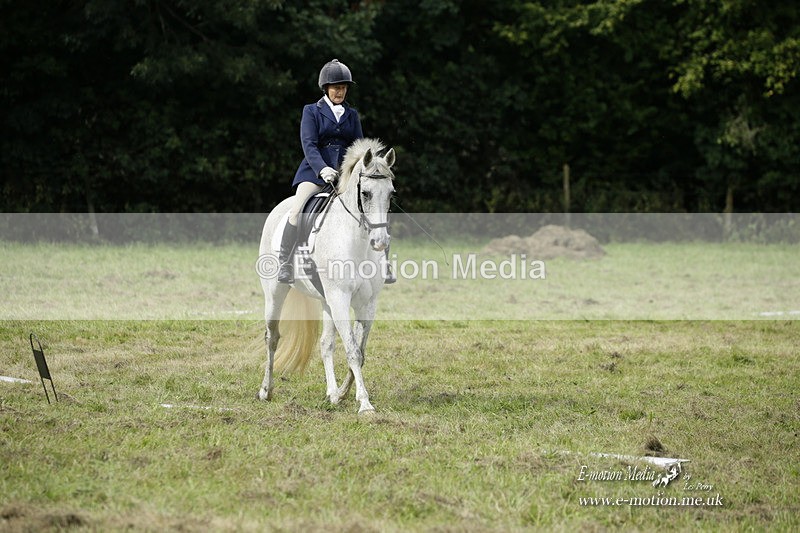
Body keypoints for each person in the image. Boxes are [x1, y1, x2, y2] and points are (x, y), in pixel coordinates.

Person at [277, 59, 395, 284]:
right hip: (314, 172)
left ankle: (383, 262)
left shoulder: (352, 114)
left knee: (376, 208)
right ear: (326, 88)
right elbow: (309, 144)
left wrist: (358, 172)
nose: (340, 91)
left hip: (347, 174)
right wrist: (322, 169)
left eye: (343, 87)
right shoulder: (311, 111)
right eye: (336, 87)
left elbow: (360, 147)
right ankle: (286, 262)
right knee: (298, 208)